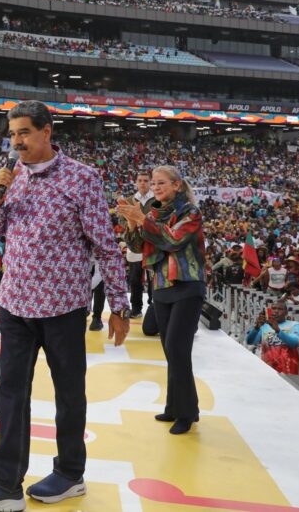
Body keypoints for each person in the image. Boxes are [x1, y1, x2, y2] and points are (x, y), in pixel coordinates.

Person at [0, 101, 130, 511]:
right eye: (12, 134)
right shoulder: (9, 178)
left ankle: (70, 474)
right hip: (15, 304)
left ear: (46, 132)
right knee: (11, 393)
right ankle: (6, 485)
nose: (16, 141)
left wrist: (119, 305)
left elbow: (105, 246)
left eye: (24, 133)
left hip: (63, 308)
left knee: (69, 394)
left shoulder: (82, 178)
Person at [118, 165, 206, 435]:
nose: (155, 187)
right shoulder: (152, 214)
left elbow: (172, 240)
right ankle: (174, 406)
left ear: (177, 185)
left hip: (187, 286)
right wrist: (133, 223)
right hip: (161, 286)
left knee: (178, 350)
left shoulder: (190, 212)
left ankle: (187, 412)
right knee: (171, 351)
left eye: (161, 183)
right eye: (153, 183)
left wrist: (142, 219)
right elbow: (135, 247)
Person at [124, 171, 154, 318]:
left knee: (153, 278)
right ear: (136, 182)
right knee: (135, 278)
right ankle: (136, 308)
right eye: (140, 180)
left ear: (150, 183)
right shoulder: (129, 200)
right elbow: (125, 222)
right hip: (135, 244)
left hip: (152, 244)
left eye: (146, 180)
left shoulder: (157, 200)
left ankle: (153, 307)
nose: (143, 183)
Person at [245, 300, 299, 374]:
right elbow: (249, 341)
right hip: (268, 371)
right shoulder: (264, 326)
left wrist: (278, 330)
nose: (276, 311)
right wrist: (256, 328)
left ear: (286, 312)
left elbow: (295, 343)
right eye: (274, 308)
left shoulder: (294, 325)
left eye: (280, 309)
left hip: (290, 371)